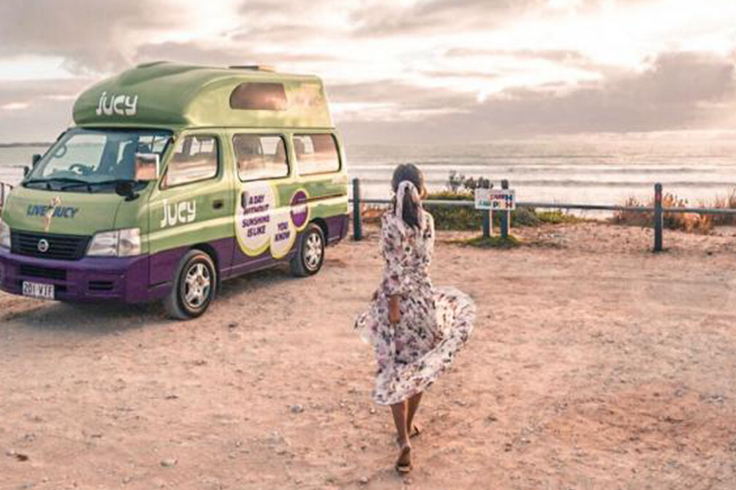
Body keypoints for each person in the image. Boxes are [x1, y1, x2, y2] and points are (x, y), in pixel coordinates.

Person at [354, 163, 476, 474]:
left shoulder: (390, 223)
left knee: (395, 371)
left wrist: (392, 305)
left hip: (400, 304)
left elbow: (394, 268)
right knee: (419, 368)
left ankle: (403, 438)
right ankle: (408, 426)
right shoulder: (429, 221)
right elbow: (419, 264)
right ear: (421, 190)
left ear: (393, 189)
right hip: (424, 299)